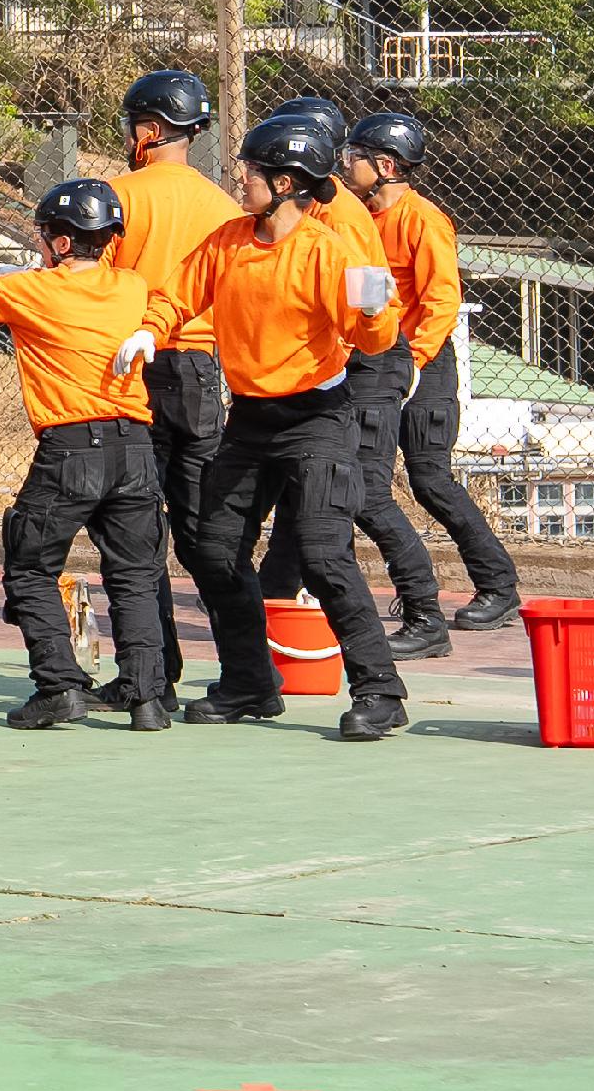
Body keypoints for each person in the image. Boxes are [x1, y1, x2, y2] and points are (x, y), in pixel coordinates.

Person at [135, 111, 411, 738]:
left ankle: (381, 691)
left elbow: (372, 336)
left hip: (317, 419)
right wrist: (150, 333)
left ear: (286, 183)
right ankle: (250, 682)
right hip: (250, 420)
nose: (243, 179)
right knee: (212, 547)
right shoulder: (230, 240)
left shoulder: (325, 252)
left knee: (322, 554)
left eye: (254, 171)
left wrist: (373, 309)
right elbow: (176, 296)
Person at [0, 178, 171, 730]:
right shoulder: (130, 286)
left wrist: (5, 280)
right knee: (136, 573)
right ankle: (146, 695)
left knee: (30, 567)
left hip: (73, 449)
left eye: (47, 237)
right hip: (135, 448)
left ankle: (59, 685)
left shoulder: (32, 292)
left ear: (64, 242)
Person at [245, 97, 441, 655]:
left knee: (364, 492)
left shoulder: (337, 218)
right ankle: (273, 597)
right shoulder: (309, 215)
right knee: (301, 489)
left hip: (371, 361)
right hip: (343, 366)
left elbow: (371, 293)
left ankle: (425, 611)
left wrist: (387, 355)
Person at [349, 108, 520, 632]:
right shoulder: (364, 219)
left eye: (354, 158)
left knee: (429, 478)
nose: (346, 165)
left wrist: (416, 360)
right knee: (364, 480)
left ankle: (498, 585)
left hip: (422, 364)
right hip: (378, 361)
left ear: (385, 164)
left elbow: (443, 298)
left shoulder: (421, 219)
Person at [108, 68, 239, 698]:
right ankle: (245, 668)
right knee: (202, 524)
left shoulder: (119, 196)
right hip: (201, 369)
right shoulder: (226, 206)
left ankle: (153, 669)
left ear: (152, 129)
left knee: (136, 521)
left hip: (136, 363)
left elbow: (90, 281)